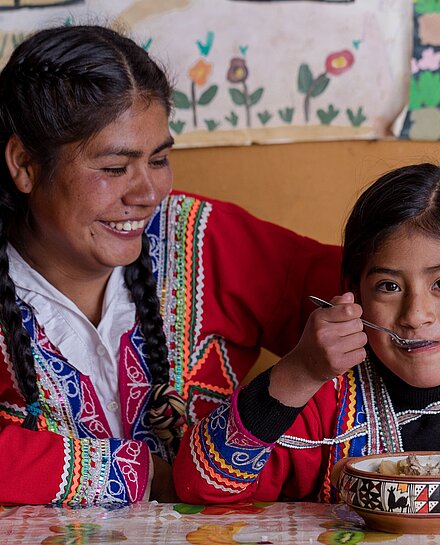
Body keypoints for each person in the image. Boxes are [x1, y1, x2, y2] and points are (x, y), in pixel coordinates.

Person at [0, 24, 342, 507]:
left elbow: (393, 293)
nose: (146, 195)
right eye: (115, 168)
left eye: (158, 160)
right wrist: (141, 475)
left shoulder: (204, 237)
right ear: (25, 164)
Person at [175, 163, 440, 514]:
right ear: (355, 294)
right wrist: (300, 372)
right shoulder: (326, 402)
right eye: (389, 286)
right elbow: (200, 484)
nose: (415, 315)